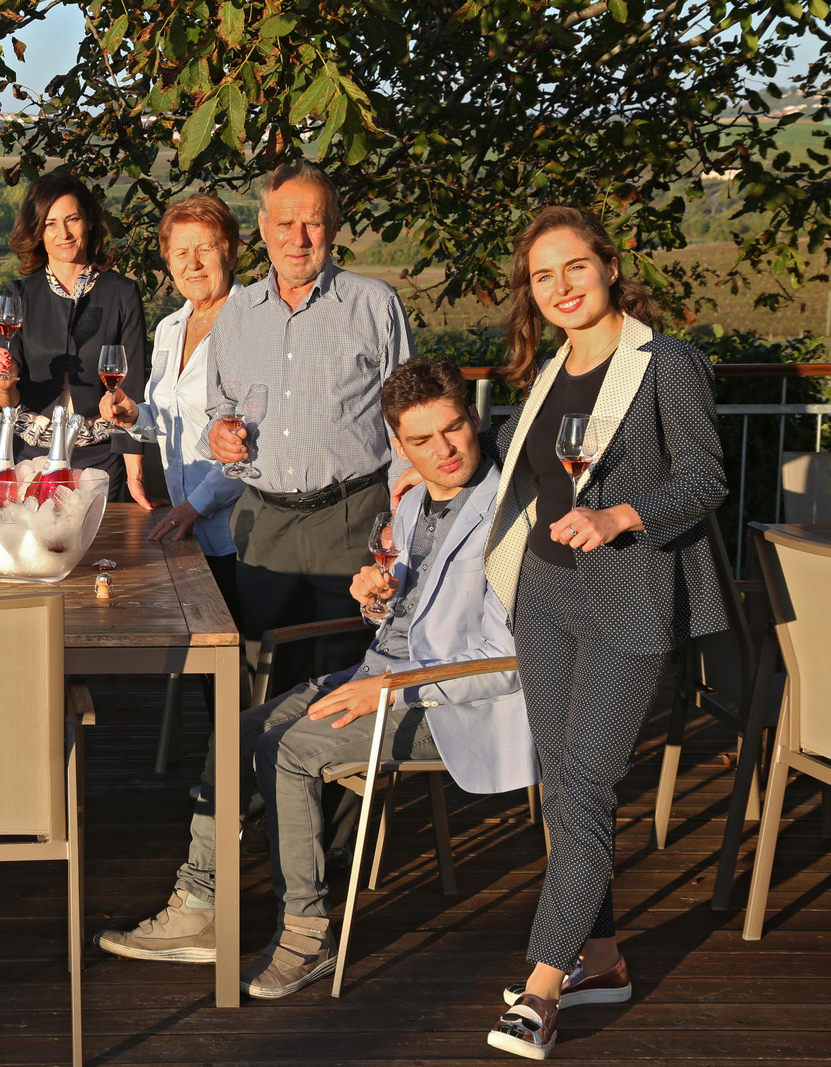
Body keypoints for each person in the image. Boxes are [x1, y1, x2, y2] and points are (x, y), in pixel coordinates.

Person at [97, 358, 534, 999]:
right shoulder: (415, 502)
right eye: (420, 440)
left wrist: (386, 689)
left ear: (474, 418)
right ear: (398, 443)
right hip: (378, 674)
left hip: (451, 706)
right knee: (236, 733)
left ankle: (306, 936)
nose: (442, 451)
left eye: (453, 429)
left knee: (290, 749)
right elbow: (407, 615)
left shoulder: (512, 515)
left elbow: (508, 660)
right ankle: (200, 906)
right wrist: (375, 599)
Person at [475, 208, 726, 1060]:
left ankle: (542, 988)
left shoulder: (665, 362)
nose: (561, 287)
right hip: (545, 594)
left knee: (585, 783)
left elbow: (705, 479)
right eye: (543, 276)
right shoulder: (553, 368)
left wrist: (621, 514)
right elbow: (523, 464)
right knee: (564, 786)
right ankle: (605, 959)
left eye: (575, 267)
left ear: (610, 267)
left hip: (629, 596)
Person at [202, 161, 415, 695]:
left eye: (313, 222)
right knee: (264, 671)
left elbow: (408, 423)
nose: (297, 239)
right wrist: (218, 436)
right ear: (263, 226)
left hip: (352, 520)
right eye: (284, 223)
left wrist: (402, 518)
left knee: (350, 671)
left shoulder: (375, 305)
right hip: (263, 524)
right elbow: (218, 409)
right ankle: (263, 753)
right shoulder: (237, 314)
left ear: (334, 225)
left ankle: (338, 755)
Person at [101, 193, 245, 617]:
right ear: (168, 263)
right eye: (181, 253)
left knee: (237, 640)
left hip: (238, 531)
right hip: (185, 529)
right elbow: (167, 418)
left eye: (205, 249)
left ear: (230, 253)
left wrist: (194, 506)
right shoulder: (169, 327)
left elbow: (255, 442)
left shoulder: (253, 324)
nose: (193, 263)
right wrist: (134, 416)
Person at [0, 173, 148, 504]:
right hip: (28, 457)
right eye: (51, 224)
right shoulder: (18, 296)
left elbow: (132, 392)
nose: (64, 233)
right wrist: (4, 386)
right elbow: (6, 401)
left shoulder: (122, 294)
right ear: (38, 232)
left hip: (100, 458)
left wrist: (135, 477)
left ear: (89, 221)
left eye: (72, 219)